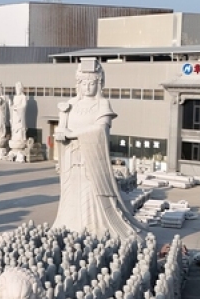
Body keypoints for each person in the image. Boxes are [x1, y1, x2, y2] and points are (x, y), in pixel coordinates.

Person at [53, 58, 142, 241]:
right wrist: (61, 131)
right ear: (78, 84)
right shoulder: (71, 104)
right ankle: (69, 227)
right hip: (72, 160)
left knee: (91, 196)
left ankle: (94, 229)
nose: (87, 87)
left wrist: (72, 134)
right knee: (71, 195)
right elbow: (62, 129)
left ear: (99, 84)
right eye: (83, 83)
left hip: (92, 162)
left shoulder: (102, 104)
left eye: (92, 83)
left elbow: (100, 130)